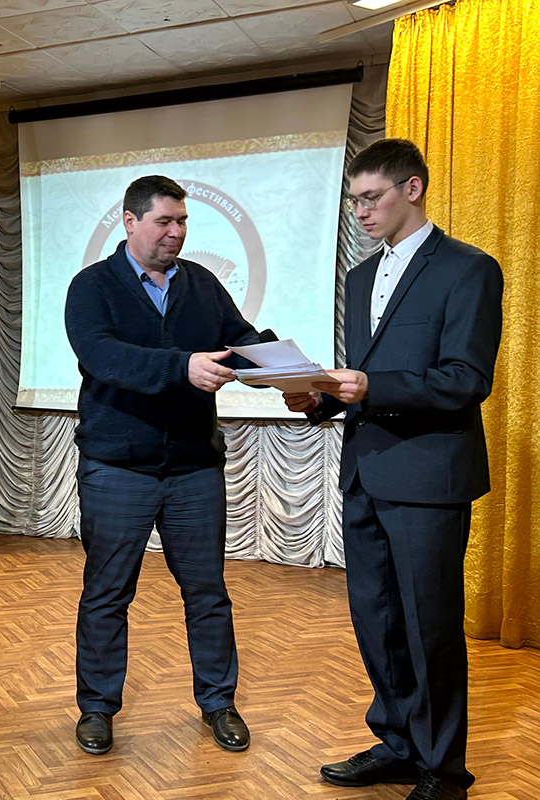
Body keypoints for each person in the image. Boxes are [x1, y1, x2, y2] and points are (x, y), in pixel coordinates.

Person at [283, 139, 502, 800]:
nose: (360, 212)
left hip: (429, 478)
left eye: (370, 198)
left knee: (429, 628)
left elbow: (466, 379)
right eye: (353, 201)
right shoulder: (359, 277)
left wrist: (371, 386)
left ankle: (444, 770)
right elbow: (362, 378)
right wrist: (320, 399)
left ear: (413, 188)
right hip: (364, 472)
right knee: (377, 622)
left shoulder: (469, 269)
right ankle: (399, 745)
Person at [64, 175, 263, 757]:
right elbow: (101, 356)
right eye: (164, 222)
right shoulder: (92, 285)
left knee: (207, 592)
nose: (176, 232)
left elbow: (242, 340)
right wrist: (182, 367)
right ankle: (97, 708)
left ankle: (219, 702)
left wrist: (285, 367)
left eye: (182, 223)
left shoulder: (201, 283)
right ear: (130, 222)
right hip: (117, 468)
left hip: (194, 468)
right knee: (107, 593)